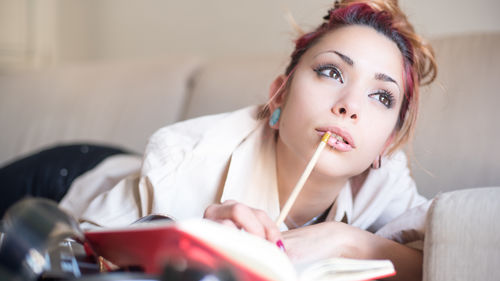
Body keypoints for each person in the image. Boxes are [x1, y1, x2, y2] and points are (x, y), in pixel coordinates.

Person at [3, 0, 437, 280]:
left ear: (388, 143)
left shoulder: (384, 179)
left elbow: (442, 261)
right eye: (331, 72)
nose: (350, 106)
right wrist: (190, 239)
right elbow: (87, 251)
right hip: (68, 178)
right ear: (278, 95)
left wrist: (348, 241)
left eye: (381, 96)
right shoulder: (188, 158)